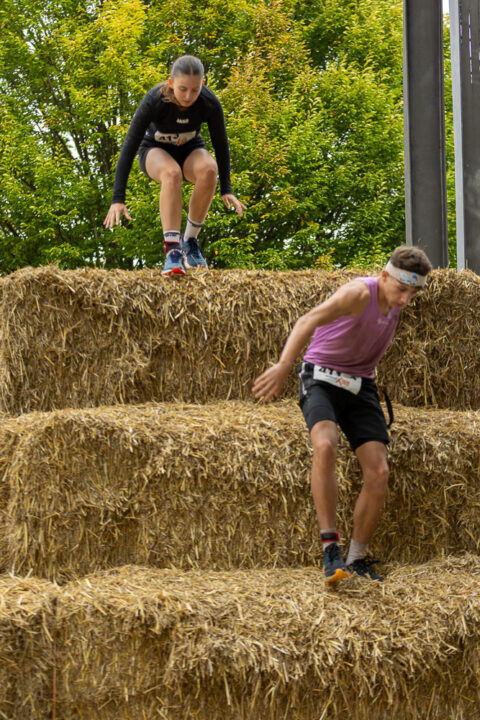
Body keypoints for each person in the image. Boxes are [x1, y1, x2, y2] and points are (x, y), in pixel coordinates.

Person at [252, 246, 432, 583]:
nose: (405, 300)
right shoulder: (358, 293)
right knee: (325, 445)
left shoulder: (395, 302)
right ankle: (330, 548)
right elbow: (307, 320)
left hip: (360, 386)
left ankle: (356, 559)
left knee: (379, 471)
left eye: (413, 293)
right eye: (401, 290)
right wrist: (283, 366)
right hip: (320, 377)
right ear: (384, 276)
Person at [103, 55, 245, 275]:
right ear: (171, 83)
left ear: (203, 84)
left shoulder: (209, 102)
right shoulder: (154, 100)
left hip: (190, 150)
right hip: (154, 151)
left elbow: (221, 144)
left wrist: (226, 188)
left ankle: (189, 241)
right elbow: (129, 146)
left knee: (209, 169)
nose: (188, 96)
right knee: (172, 173)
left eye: (195, 90)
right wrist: (117, 199)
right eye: (182, 89)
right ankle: (172, 250)